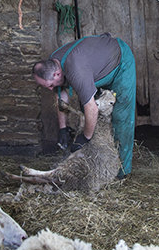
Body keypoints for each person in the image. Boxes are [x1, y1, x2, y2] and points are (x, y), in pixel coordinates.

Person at [32, 33, 136, 179]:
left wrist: (85, 138)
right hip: (96, 66)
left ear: (56, 74)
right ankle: (96, 164)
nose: (49, 89)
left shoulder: (75, 69)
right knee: (88, 115)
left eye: (49, 85)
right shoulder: (54, 61)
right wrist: (62, 129)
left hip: (120, 62)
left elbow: (91, 108)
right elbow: (60, 94)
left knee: (121, 116)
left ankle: (122, 171)